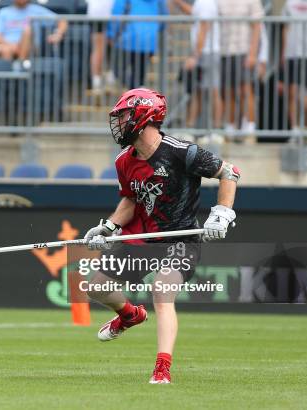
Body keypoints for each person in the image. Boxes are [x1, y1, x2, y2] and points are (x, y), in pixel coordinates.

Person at [83, 88, 239, 384]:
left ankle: (162, 368)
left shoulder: (182, 152)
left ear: (145, 116)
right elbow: (130, 200)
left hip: (180, 239)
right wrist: (109, 227)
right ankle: (130, 315)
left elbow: (229, 173)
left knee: (162, 290)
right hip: (143, 237)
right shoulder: (123, 161)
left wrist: (222, 212)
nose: (119, 123)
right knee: (96, 287)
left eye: (124, 115)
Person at [172, 0, 222, 132]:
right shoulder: (201, 3)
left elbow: (204, 29)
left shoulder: (206, 3)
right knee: (196, 93)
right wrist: (178, 2)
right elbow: (193, 13)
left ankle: (216, 131)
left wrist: (195, 56)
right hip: (202, 52)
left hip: (207, 53)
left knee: (213, 92)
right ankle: (190, 128)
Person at [218, 0, 264, 138]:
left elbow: (257, 27)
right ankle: (230, 127)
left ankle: (250, 126)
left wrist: (253, 53)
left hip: (244, 51)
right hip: (224, 51)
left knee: (246, 90)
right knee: (228, 91)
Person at [108, 0, 169, 90]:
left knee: (118, 71)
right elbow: (164, 17)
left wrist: (112, 34)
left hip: (127, 40)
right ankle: (138, 90)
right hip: (149, 41)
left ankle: (137, 89)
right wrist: (154, 29)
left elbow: (116, 16)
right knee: (138, 77)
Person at [281, 0, 307, 132]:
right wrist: (284, 52)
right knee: (292, 92)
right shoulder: (290, 3)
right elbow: (285, 28)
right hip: (293, 54)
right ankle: (295, 129)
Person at [0, 0, 67, 61]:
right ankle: (10, 77)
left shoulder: (37, 10)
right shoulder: (3, 12)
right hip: (7, 45)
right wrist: (12, 45)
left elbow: (61, 20)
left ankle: (21, 67)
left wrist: (58, 34)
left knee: (27, 29)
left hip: (31, 47)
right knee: (6, 50)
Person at [86, 0, 114, 91]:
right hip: (99, 15)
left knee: (109, 46)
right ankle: (97, 80)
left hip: (112, 14)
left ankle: (107, 76)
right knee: (98, 48)